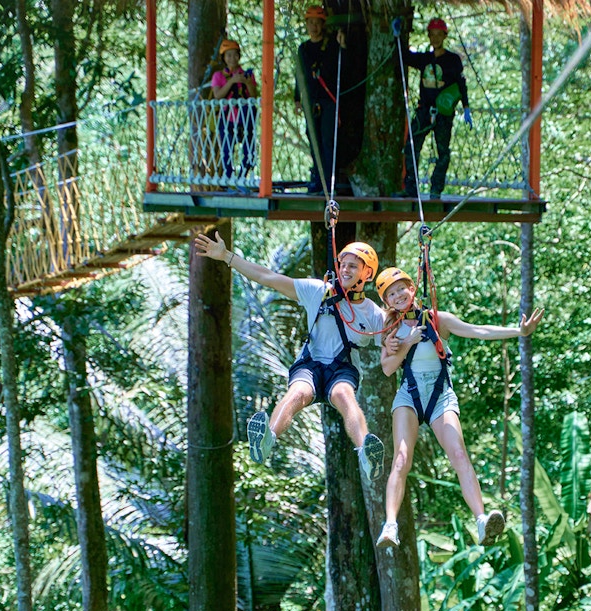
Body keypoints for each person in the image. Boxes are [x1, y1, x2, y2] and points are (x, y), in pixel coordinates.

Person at [193, 231, 391, 479]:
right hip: (309, 363)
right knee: (298, 393)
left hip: (342, 368)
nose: (345, 270)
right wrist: (226, 256)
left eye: (353, 266)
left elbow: (398, 337)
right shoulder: (318, 291)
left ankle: (366, 453)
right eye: (343, 264)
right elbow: (268, 277)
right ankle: (267, 439)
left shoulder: (373, 314)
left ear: (367, 274)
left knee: (343, 394)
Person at [372, 267, 543, 548]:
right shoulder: (392, 329)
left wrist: (519, 331)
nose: (398, 295)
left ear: (412, 288)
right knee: (401, 459)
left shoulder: (439, 320)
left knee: (459, 455)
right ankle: (390, 525)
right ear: (387, 302)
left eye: (401, 288)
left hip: (440, 395)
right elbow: (388, 369)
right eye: (391, 293)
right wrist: (407, 343)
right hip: (410, 395)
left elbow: (476, 330)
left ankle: (481, 521)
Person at [396, 17, 471, 200]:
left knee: (443, 151)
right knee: (411, 147)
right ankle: (411, 187)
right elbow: (404, 56)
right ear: (429, 36)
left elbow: (461, 85)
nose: (435, 38)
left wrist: (466, 107)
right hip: (424, 110)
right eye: (432, 34)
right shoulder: (424, 59)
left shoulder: (453, 60)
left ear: (444, 36)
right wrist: (396, 37)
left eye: (439, 35)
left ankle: (436, 188)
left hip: (443, 113)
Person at [295, 6, 343, 194]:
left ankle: (330, 180)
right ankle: (317, 177)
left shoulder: (332, 46)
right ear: (306, 25)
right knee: (313, 139)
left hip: (328, 99)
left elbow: (343, 67)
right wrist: (297, 98)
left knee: (328, 140)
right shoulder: (304, 48)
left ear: (322, 25)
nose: (314, 27)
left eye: (317, 23)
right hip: (310, 100)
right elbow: (299, 74)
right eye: (311, 23)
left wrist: (342, 45)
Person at [210, 39, 259, 183]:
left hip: (245, 119)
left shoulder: (247, 75)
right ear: (224, 58)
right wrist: (231, 81)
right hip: (227, 119)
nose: (232, 59)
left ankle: (243, 176)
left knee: (249, 151)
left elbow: (253, 96)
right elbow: (217, 95)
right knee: (227, 151)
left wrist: (247, 83)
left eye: (235, 55)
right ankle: (229, 179)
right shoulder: (218, 76)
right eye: (229, 55)